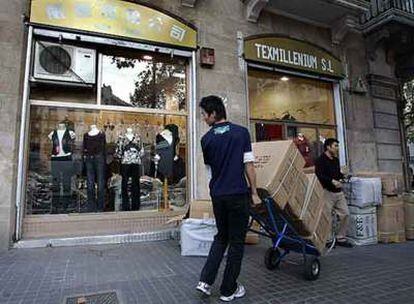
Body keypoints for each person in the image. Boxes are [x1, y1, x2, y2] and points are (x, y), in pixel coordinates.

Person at [195, 95, 261, 302]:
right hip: (237, 194)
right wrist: (254, 192)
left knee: (221, 237)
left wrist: (215, 191)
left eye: (204, 115)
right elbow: (248, 165)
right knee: (236, 241)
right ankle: (228, 289)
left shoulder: (206, 140)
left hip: (218, 195)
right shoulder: (241, 133)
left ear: (214, 114)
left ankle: (205, 282)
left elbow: (210, 173)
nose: (204, 118)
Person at [315, 138, 353, 248]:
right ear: (328, 147)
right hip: (327, 192)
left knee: (345, 213)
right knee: (327, 217)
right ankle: (328, 239)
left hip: (338, 193)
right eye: (335, 146)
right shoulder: (320, 160)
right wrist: (331, 181)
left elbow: (337, 173)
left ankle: (341, 238)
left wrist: (343, 176)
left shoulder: (335, 160)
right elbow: (319, 175)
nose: (337, 148)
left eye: (337, 146)